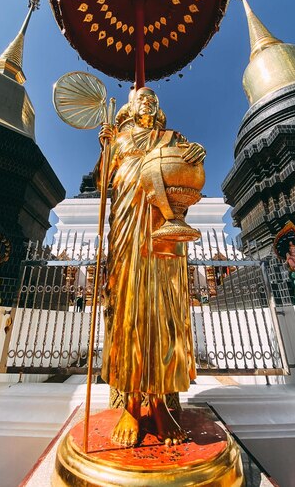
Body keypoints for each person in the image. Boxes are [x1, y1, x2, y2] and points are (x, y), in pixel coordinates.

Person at [97, 87, 205, 447]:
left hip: (163, 224)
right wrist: (106, 148)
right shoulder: (120, 138)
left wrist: (193, 157)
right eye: (141, 97)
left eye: (153, 98)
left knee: (163, 309)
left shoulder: (171, 138)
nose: (148, 101)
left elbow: (188, 174)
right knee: (129, 306)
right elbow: (102, 184)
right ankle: (130, 402)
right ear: (128, 106)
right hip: (128, 226)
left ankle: (160, 402)